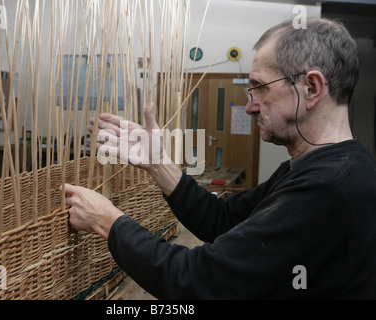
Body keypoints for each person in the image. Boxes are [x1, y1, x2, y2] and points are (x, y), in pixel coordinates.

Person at [62, 18, 376, 299]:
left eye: (259, 88)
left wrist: (108, 221)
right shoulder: (317, 166)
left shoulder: (328, 188)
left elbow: (197, 282)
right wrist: (159, 163)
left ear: (311, 87)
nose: (250, 107)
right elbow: (224, 221)